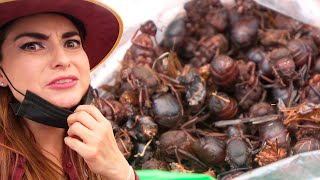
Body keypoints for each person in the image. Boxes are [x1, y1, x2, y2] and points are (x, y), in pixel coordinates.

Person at [0, 0, 139, 179]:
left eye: (71, 43)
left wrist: (121, 172)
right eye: (32, 46)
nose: (63, 59)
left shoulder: (104, 140)